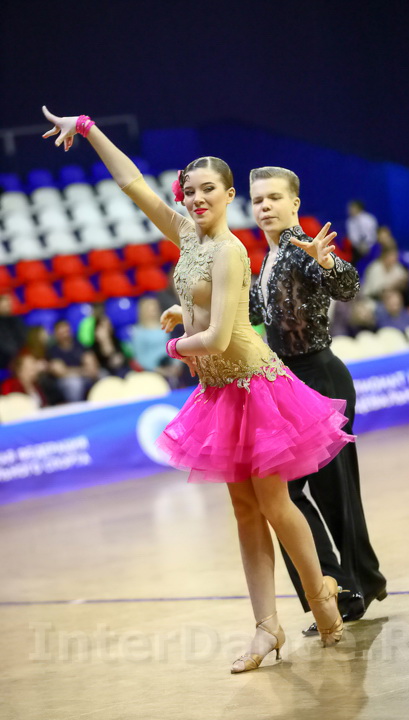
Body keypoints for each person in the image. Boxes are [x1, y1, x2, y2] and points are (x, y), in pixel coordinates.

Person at [43, 106, 355, 673]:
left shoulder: (231, 249)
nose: (196, 198)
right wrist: (88, 129)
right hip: (219, 391)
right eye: (189, 191)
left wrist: (175, 345)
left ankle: (321, 597)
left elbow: (216, 337)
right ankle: (266, 627)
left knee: (274, 504)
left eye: (208, 189)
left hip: (253, 383)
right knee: (243, 510)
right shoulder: (187, 234)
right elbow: (132, 184)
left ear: (230, 194)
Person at [248, 166, 387, 631]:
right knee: (282, 496)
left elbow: (347, 287)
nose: (265, 206)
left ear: (294, 204)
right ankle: (343, 583)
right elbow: (254, 312)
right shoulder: (267, 258)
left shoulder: (302, 249)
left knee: (333, 493)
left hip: (321, 381)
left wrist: (329, 265)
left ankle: (350, 588)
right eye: (258, 200)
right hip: (289, 385)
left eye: (274, 197)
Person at [46, 319, 100, 402]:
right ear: (56, 334)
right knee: (74, 383)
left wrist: (70, 370)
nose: (65, 335)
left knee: (103, 374)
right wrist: (83, 371)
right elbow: (60, 372)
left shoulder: (80, 345)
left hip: (84, 377)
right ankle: (77, 408)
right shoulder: (53, 351)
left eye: (66, 331)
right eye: (61, 333)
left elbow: (92, 366)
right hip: (63, 381)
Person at [131, 296, 182, 384]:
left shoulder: (167, 325)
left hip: (172, 366)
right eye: (149, 308)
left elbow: (175, 344)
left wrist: (177, 364)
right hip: (152, 374)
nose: (153, 310)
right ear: (143, 311)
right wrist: (158, 370)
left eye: (154, 307)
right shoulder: (138, 332)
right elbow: (140, 357)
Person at [0, 293, 27, 370]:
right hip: (4, 359)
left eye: (8, 305)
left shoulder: (17, 320)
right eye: (4, 305)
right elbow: (3, 344)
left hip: (18, 356)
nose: (6, 307)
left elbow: (23, 337)